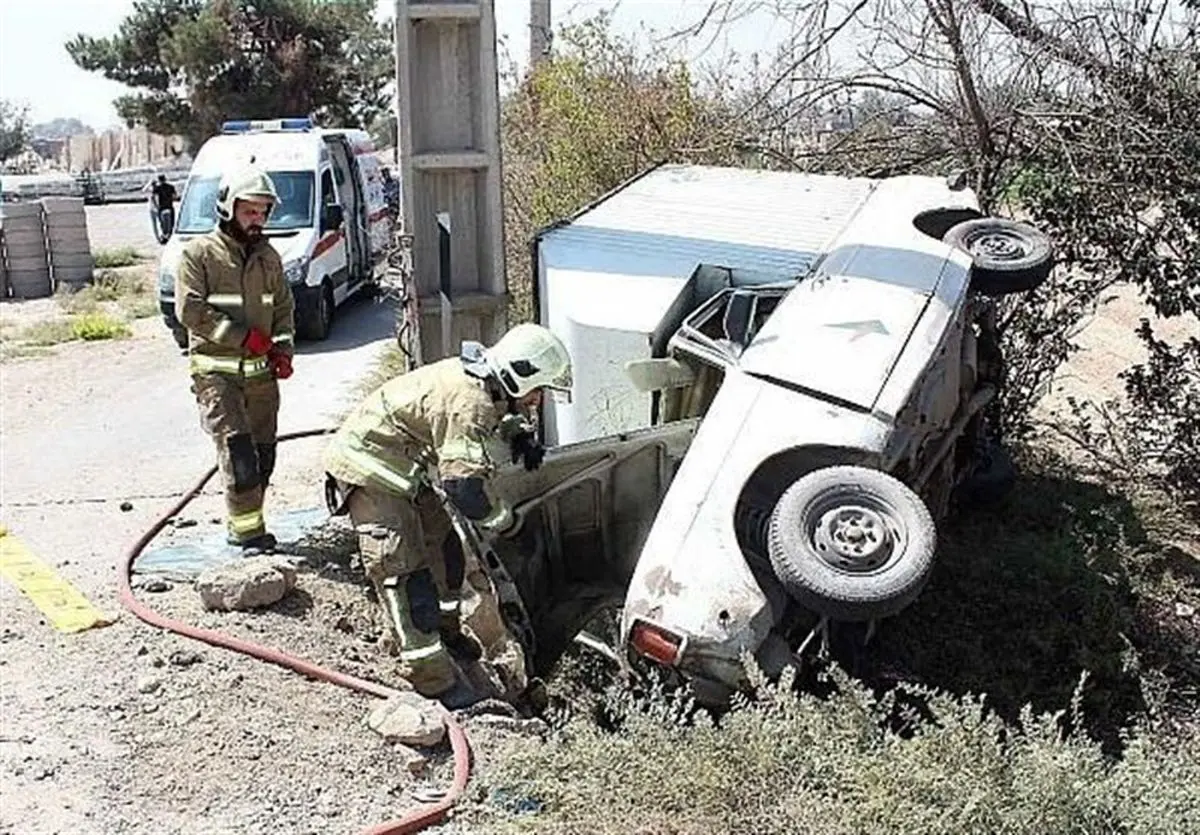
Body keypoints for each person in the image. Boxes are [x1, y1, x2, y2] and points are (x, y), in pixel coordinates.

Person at [321, 323, 572, 707]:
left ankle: (445, 633)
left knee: (447, 554)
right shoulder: (470, 403)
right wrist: (510, 525)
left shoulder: (489, 382)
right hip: (370, 470)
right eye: (538, 390)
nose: (539, 401)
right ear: (518, 375)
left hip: (404, 468)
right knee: (404, 574)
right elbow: (465, 490)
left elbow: (493, 419)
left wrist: (517, 434)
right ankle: (431, 677)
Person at [175, 164, 295, 553]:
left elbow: (283, 309)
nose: (256, 219)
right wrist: (246, 338)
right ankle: (247, 535)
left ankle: (250, 525)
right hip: (217, 375)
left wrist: (282, 349)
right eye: (249, 211)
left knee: (263, 458)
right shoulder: (199, 254)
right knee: (240, 456)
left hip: (261, 380)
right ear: (228, 208)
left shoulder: (269, 258)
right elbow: (190, 311)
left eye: (262, 212)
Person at [151, 174, 177, 240]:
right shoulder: (171, 187)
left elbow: (153, 197)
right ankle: (170, 234)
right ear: (165, 179)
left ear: (159, 180)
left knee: (162, 223)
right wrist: (170, 199)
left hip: (161, 207)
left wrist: (156, 205)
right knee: (171, 223)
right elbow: (175, 196)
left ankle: (164, 235)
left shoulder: (157, 188)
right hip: (170, 206)